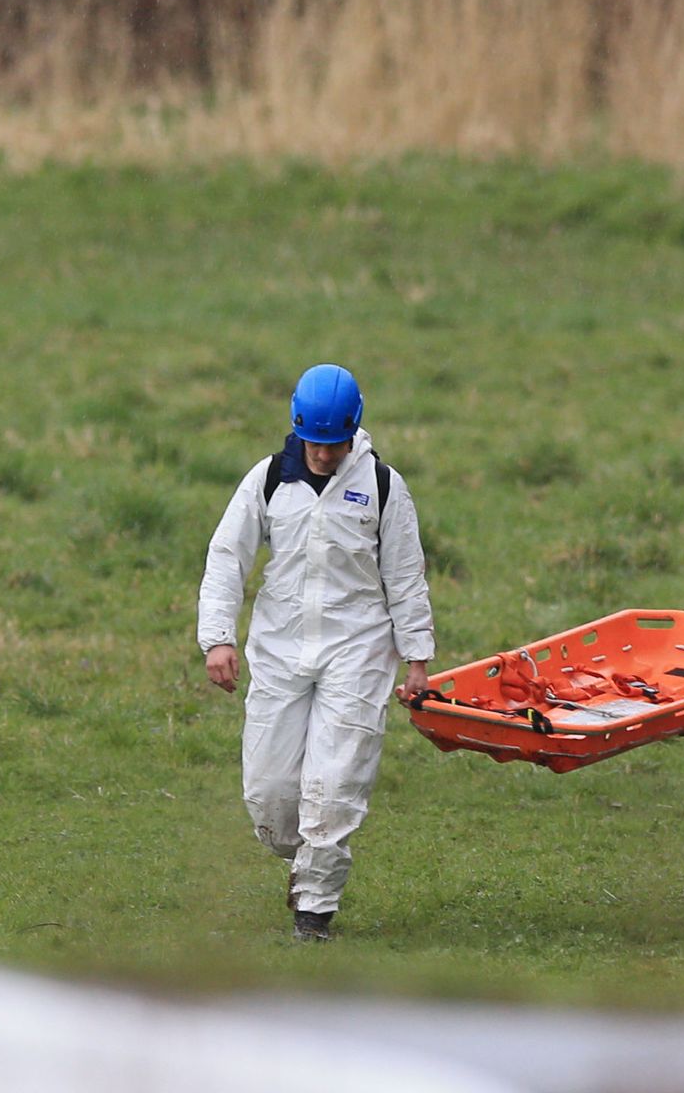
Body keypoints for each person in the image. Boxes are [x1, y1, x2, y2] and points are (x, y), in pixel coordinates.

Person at [197, 363, 436, 942]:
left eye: (334, 444)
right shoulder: (268, 480)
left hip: (358, 650)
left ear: (354, 429)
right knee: (273, 801)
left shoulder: (382, 486)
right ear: (296, 428)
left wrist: (418, 659)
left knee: (333, 790)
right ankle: (300, 862)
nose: (324, 455)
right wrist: (218, 638)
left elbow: (405, 575)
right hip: (279, 649)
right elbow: (228, 556)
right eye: (314, 443)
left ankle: (315, 911)